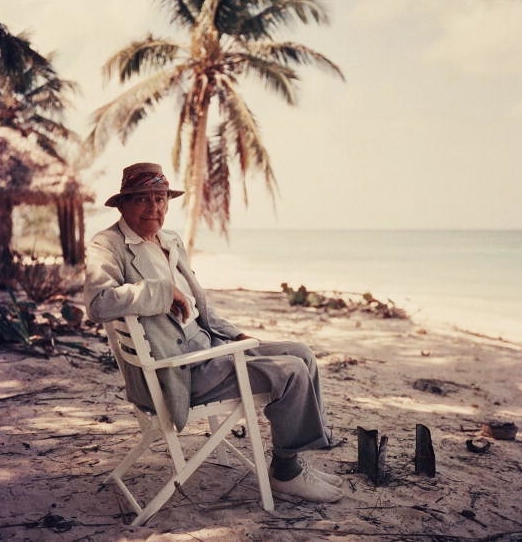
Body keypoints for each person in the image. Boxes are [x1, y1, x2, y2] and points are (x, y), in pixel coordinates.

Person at [84, 162, 343, 503]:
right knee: (290, 372)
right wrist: (162, 291)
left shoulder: (170, 240)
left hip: (209, 346)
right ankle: (286, 472)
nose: (154, 207)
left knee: (302, 353)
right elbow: (99, 303)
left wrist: (235, 336)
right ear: (123, 204)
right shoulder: (108, 245)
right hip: (178, 368)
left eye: (161, 198)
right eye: (142, 199)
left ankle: (292, 459)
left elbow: (200, 308)